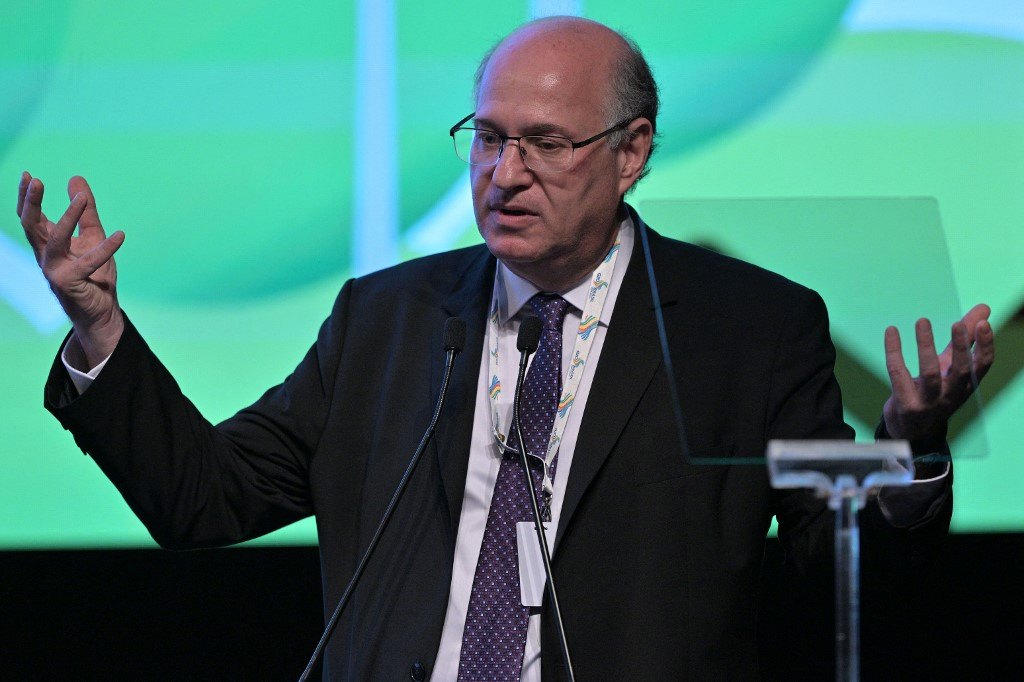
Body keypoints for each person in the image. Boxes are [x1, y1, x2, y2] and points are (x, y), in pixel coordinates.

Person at [18, 16, 993, 681]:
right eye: (487, 138)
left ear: (631, 151)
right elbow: (205, 497)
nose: (504, 174)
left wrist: (909, 446)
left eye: (545, 143)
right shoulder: (386, 318)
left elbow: (835, 569)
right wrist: (99, 328)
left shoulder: (747, 330)